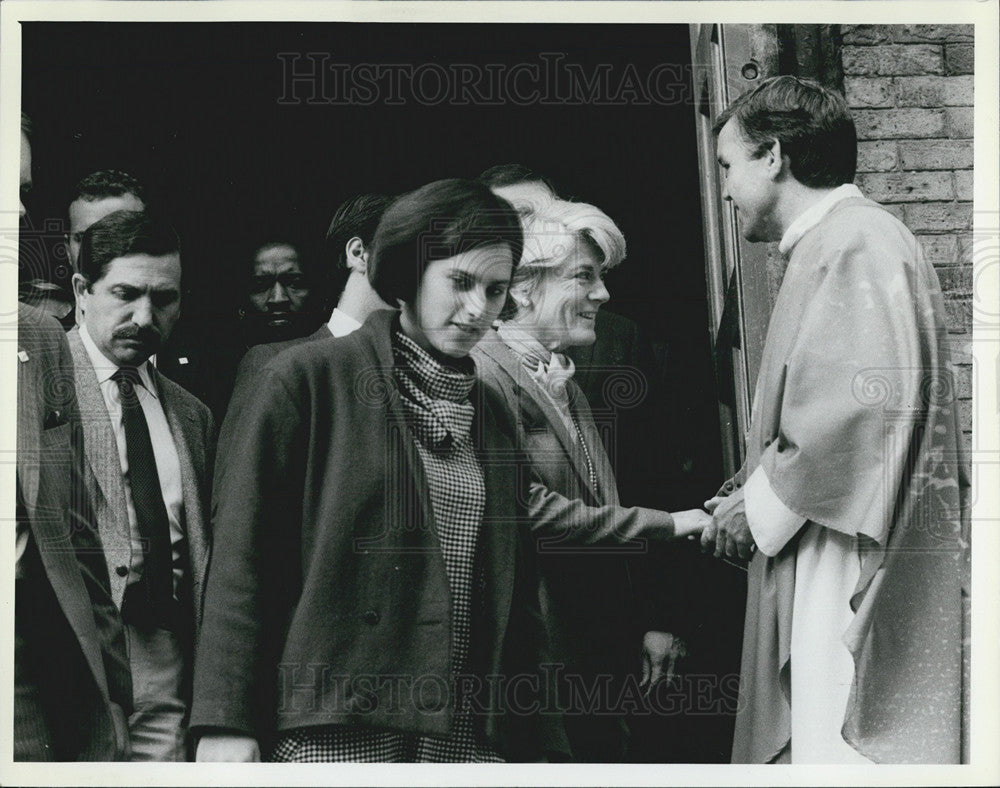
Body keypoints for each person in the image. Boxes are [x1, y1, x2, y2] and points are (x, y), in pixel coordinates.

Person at [190, 179, 569, 763]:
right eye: (459, 281)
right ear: (405, 275)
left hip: (462, 731)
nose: (477, 309)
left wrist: (542, 743)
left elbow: (516, 595)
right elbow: (243, 558)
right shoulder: (307, 378)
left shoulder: (490, 408)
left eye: (495, 290)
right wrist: (225, 722)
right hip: (337, 727)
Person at [705, 75, 969, 763]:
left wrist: (753, 507)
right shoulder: (839, 241)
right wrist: (750, 484)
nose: (726, 191)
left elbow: (853, 411)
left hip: (841, 547)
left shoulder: (856, 242)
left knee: (836, 740)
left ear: (773, 156)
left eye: (729, 166)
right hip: (828, 521)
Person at [470, 197, 710, 761]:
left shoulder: (565, 381)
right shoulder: (484, 372)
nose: (603, 294)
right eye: (585, 276)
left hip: (588, 658)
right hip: (533, 666)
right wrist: (670, 524)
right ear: (524, 286)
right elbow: (520, 508)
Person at [68, 209, 216, 760]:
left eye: (165, 298)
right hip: (64, 651)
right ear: (82, 290)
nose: (145, 316)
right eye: (125, 293)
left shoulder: (191, 413)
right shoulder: (31, 384)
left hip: (164, 652)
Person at [15, 111, 132, 762]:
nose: (17, 209)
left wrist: (114, 692)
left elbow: (79, 536)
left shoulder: (37, 339)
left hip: (33, 687)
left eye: (25, 191)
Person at [213, 193, 395, 487]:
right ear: (357, 252)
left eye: (294, 283)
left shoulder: (405, 362)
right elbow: (238, 494)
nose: (278, 299)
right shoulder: (267, 362)